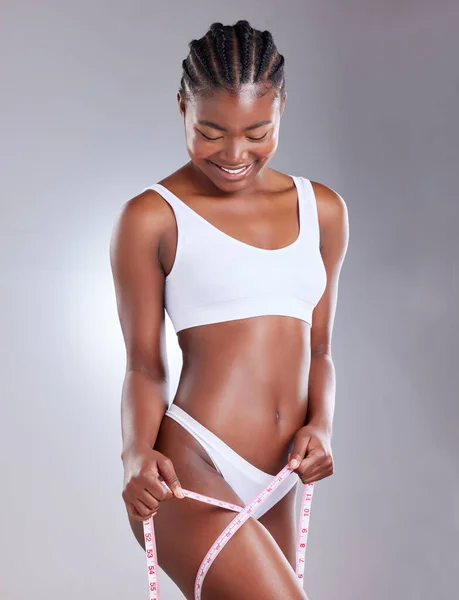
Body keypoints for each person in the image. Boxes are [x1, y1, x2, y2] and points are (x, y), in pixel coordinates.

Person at [110, 19, 349, 600]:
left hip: (279, 480)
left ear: (282, 110)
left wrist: (321, 425)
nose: (235, 154)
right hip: (190, 471)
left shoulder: (322, 210)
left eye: (258, 132)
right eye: (210, 132)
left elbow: (318, 349)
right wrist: (136, 453)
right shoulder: (151, 217)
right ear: (182, 109)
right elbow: (145, 364)